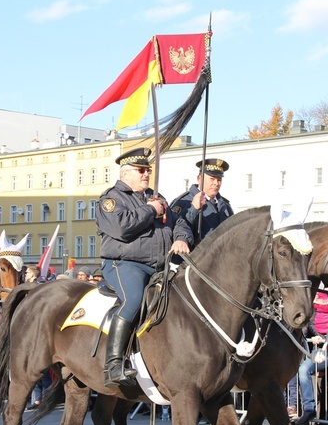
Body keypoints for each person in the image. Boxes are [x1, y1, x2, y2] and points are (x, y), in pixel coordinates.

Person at [95, 147, 192, 388]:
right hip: (124, 264)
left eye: (148, 169)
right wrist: (150, 210)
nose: (147, 174)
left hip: (160, 266)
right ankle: (113, 364)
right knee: (133, 300)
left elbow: (180, 223)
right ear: (126, 173)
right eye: (141, 170)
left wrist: (181, 238)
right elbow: (121, 229)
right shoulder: (111, 199)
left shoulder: (158, 198)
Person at [295, 289, 328, 425]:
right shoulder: (316, 311)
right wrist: (316, 336)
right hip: (321, 353)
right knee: (303, 370)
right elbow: (311, 325)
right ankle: (309, 408)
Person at [170, 159, 233, 244]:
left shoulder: (225, 206)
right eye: (212, 179)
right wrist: (193, 209)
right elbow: (176, 230)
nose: (216, 183)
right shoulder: (183, 202)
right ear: (199, 179)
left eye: (219, 180)